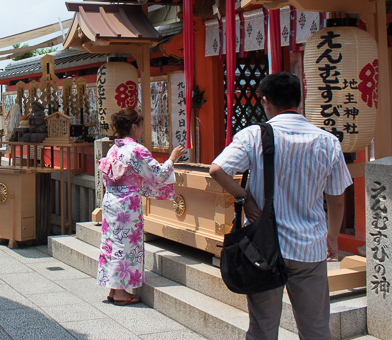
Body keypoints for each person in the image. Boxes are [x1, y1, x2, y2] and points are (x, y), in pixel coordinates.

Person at [209, 72, 353, 339]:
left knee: (263, 328)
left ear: (265, 101)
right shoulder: (327, 141)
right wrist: (332, 236)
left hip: (263, 247)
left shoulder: (254, 135)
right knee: (315, 328)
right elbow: (337, 199)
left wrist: (245, 197)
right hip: (309, 246)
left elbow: (217, 170)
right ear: (300, 99)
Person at [97, 108, 183, 305]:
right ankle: (120, 293)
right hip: (127, 205)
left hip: (111, 201)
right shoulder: (136, 149)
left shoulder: (113, 149)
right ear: (134, 127)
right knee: (125, 245)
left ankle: (114, 289)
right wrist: (172, 159)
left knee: (112, 243)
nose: (143, 129)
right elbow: (158, 174)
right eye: (142, 126)